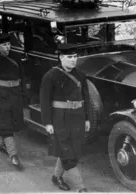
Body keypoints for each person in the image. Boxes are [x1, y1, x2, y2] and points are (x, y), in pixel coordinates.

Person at [40, 43, 90, 192]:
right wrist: (47, 122)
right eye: (69, 57)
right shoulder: (50, 76)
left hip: (78, 118)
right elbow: (44, 101)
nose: (73, 60)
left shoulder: (81, 75)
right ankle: (81, 188)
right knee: (68, 155)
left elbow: (86, 98)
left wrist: (87, 119)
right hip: (60, 119)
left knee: (71, 150)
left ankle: (56, 177)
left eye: (75, 57)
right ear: (61, 58)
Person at [0, 33, 26, 170]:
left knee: (10, 123)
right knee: (6, 125)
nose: (7, 47)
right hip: (1, 95)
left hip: (15, 95)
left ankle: (1, 144)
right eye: (4, 45)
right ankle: (13, 155)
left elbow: (22, 76)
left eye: (8, 44)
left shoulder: (16, 57)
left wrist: (24, 93)